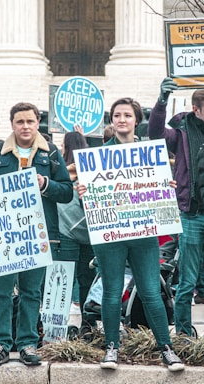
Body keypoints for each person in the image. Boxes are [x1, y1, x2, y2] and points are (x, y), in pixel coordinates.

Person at [76, 97, 184, 372]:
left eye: (127, 115)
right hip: (110, 233)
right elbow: (88, 202)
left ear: (137, 120)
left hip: (143, 233)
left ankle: (166, 349)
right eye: (117, 115)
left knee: (150, 291)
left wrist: (166, 187)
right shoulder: (97, 156)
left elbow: (160, 191)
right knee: (112, 291)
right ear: (111, 121)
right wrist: (84, 194)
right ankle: (112, 347)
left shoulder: (151, 153)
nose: (122, 119)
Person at [0, 102, 73, 367]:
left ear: (37, 122)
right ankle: (0, 344)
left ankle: (28, 343)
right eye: (20, 122)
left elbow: (66, 192)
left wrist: (46, 184)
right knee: (1, 291)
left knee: (32, 292)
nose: (25, 127)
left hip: (38, 235)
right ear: (12, 124)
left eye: (30, 122)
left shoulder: (51, 153)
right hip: (3, 236)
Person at [148, 78, 204, 336]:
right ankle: (183, 334)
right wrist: (162, 102)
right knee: (188, 280)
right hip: (192, 215)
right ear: (197, 110)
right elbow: (155, 134)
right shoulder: (181, 132)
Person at [57, 131, 96, 325]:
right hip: (90, 232)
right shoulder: (93, 166)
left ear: (65, 146)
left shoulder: (62, 170)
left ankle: (56, 328)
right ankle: (87, 326)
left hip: (66, 231)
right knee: (87, 280)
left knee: (63, 279)